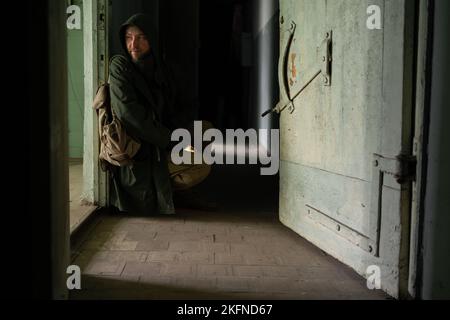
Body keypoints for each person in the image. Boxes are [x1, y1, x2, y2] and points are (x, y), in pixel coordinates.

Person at [108, 13, 213, 216]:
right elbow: (131, 116)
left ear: (152, 40)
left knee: (206, 130)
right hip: (140, 149)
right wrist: (171, 141)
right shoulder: (120, 67)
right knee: (201, 165)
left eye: (141, 38)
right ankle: (173, 190)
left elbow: (176, 106)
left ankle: (181, 188)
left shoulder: (159, 68)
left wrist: (180, 133)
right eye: (129, 38)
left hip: (161, 139)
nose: (133, 45)